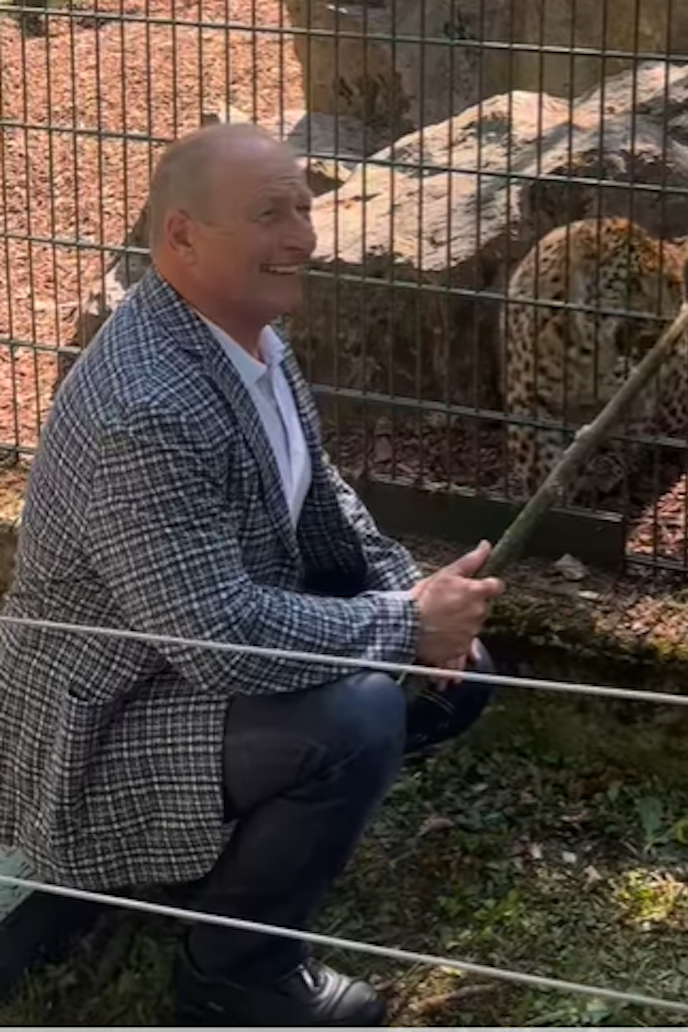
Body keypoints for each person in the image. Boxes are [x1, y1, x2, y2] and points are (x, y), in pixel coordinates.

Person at [0, 122, 505, 1026]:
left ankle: (216, 865)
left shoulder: (248, 336)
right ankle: (236, 973)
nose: (303, 236)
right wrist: (404, 623)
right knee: (356, 718)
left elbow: (323, 501)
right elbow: (217, 638)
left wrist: (412, 597)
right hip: (101, 725)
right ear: (181, 235)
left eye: (305, 210)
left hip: (182, 670)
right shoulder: (146, 406)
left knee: (457, 677)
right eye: (271, 214)